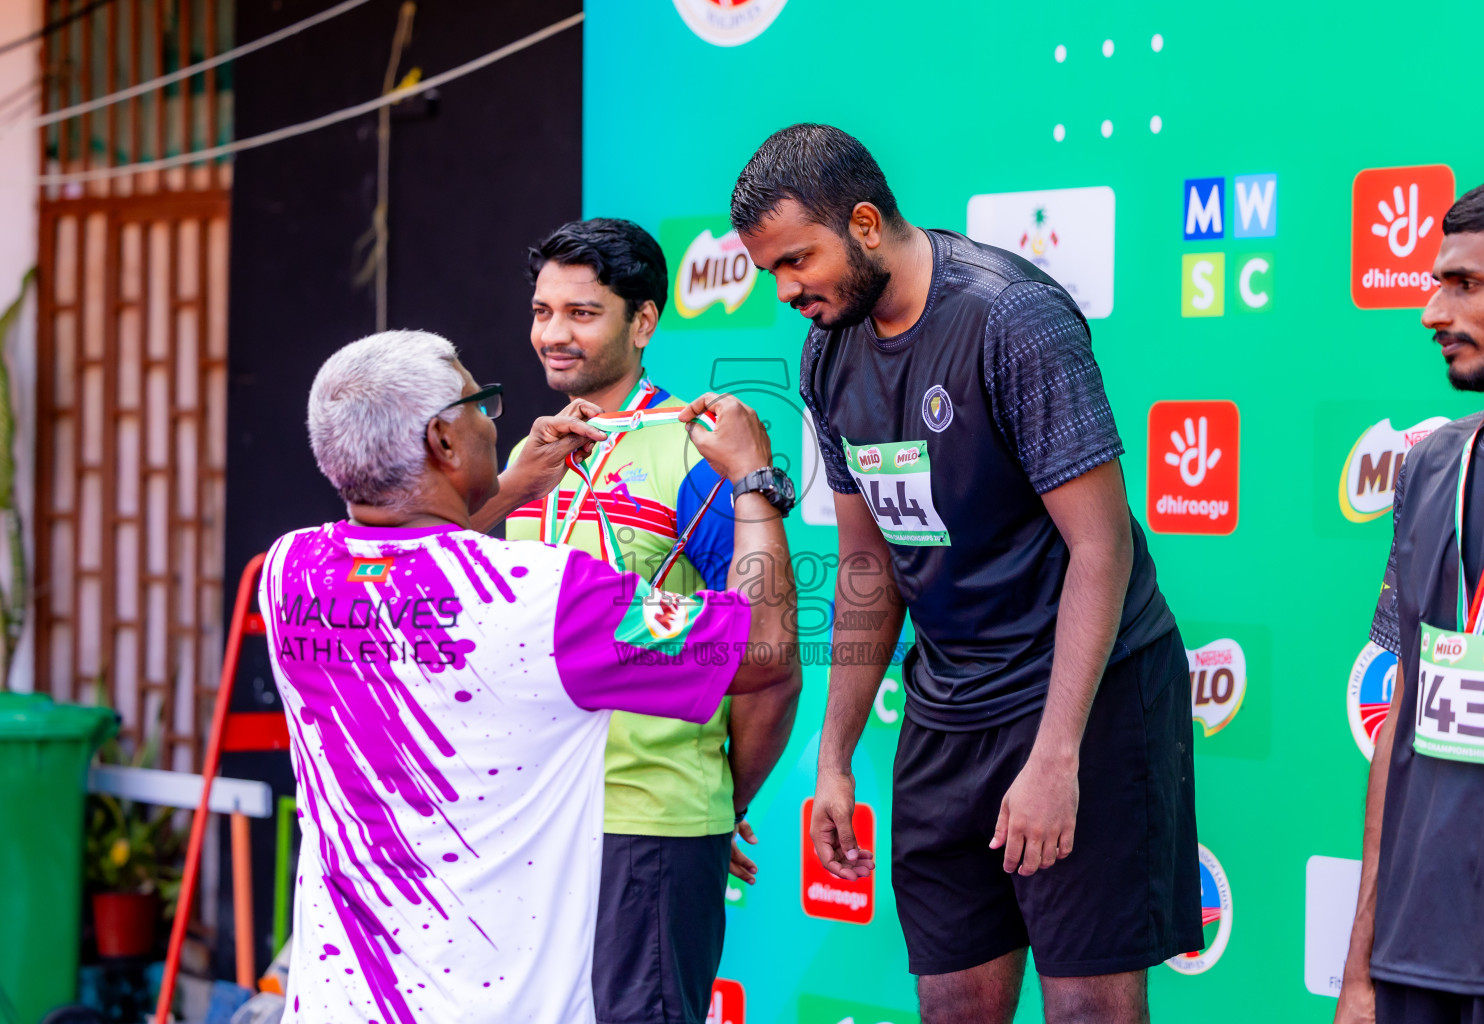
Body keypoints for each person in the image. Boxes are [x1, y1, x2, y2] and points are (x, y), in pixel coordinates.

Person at [729, 124, 1199, 1024]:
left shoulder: (1010, 316)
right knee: (951, 1006)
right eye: (770, 273)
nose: (787, 292)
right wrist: (832, 760)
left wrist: (1056, 757)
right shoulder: (828, 353)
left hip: (1082, 701)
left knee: (1089, 1011)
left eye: (797, 261)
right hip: (949, 712)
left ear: (865, 223)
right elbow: (869, 563)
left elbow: (1103, 547)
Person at [260, 330, 798, 1024]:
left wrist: (510, 486)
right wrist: (753, 483)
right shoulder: (543, 597)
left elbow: (413, 546)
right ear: (444, 444)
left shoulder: (290, 572)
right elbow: (764, 649)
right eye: (478, 403)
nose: (496, 419)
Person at [469, 219, 802, 1024]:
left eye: (582, 313)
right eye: (543, 311)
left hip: (648, 819)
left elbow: (770, 661)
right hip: (531, 820)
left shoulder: (694, 451)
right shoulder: (527, 455)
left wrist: (726, 800)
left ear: (644, 322)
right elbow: (453, 591)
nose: (554, 334)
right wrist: (511, 489)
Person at [1338, 171, 1484, 1024]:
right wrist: (1358, 970)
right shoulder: (1423, 469)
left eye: (1466, 285)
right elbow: (1399, 732)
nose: (1431, 311)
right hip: (1416, 951)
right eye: (1433, 281)